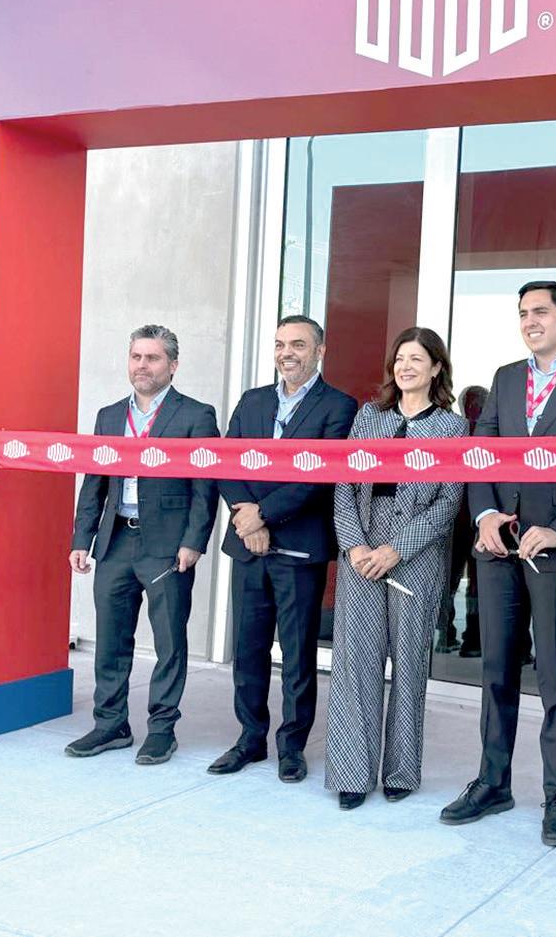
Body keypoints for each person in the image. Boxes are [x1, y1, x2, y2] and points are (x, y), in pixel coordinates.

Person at [440, 280, 556, 847]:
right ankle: (492, 783)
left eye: (541, 311)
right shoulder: (504, 378)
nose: (530, 321)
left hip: (555, 552)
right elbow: (481, 454)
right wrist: (485, 515)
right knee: (496, 669)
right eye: (523, 313)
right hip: (498, 550)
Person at [209, 315, 357, 783]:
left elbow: (320, 476)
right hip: (248, 546)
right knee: (248, 649)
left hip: (298, 549)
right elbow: (226, 462)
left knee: (297, 654)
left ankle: (291, 746)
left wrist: (263, 515)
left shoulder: (339, 406)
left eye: (297, 344)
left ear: (319, 351)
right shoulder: (253, 400)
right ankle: (250, 738)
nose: (286, 353)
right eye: (279, 344)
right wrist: (244, 515)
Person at [325, 328, 468, 809]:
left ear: (436, 368)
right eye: (400, 359)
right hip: (362, 547)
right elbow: (344, 485)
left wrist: (396, 549)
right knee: (356, 662)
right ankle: (351, 773)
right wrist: (354, 546)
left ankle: (401, 770)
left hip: (415, 553)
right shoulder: (369, 417)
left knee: (408, 665)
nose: (405, 367)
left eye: (416, 359)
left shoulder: (452, 428)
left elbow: (448, 503)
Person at [66, 325, 219, 763]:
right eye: (136, 357)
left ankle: (162, 729)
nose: (142, 366)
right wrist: (82, 538)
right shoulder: (110, 415)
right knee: (111, 639)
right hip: (115, 541)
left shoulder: (197, 415)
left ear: (173, 365)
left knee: (169, 641)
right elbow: (94, 481)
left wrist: (194, 541)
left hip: (168, 546)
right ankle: (110, 724)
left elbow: (205, 486)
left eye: (152, 358)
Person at [437, 385, 489, 658]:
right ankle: (473, 640)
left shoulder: (453, 432)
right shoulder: (491, 435)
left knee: (449, 580)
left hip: (454, 519)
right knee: (477, 584)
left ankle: (445, 635)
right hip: (478, 519)